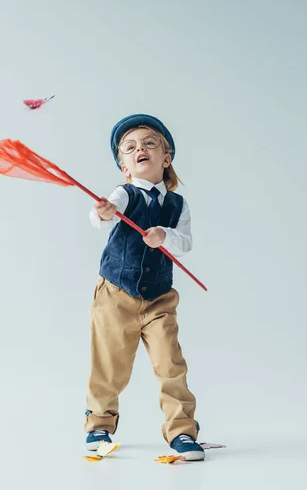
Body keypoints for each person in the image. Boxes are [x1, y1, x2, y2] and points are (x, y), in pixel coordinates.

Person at [84, 114, 205, 461]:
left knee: (171, 364)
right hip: (115, 294)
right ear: (124, 165)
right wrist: (105, 212)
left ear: (166, 159)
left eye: (150, 143)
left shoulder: (178, 205)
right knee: (109, 364)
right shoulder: (123, 194)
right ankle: (99, 425)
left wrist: (165, 236)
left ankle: (182, 431)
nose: (141, 149)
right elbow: (102, 218)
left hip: (158, 298)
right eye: (131, 147)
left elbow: (185, 242)